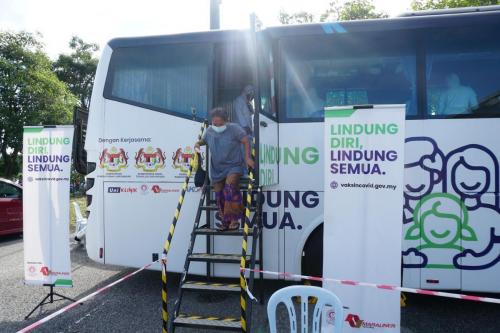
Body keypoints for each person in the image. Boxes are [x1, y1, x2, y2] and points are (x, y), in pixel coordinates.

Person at [195, 108, 254, 231]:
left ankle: (234, 220)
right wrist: (198, 144)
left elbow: (246, 140)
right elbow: (204, 140)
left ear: (226, 121)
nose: (217, 126)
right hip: (217, 168)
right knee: (219, 195)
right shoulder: (210, 130)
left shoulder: (234, 129)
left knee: (230, 187)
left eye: (220, 124)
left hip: (234, 165)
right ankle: (225, 221)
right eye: (214, 123)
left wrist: (247, 158)